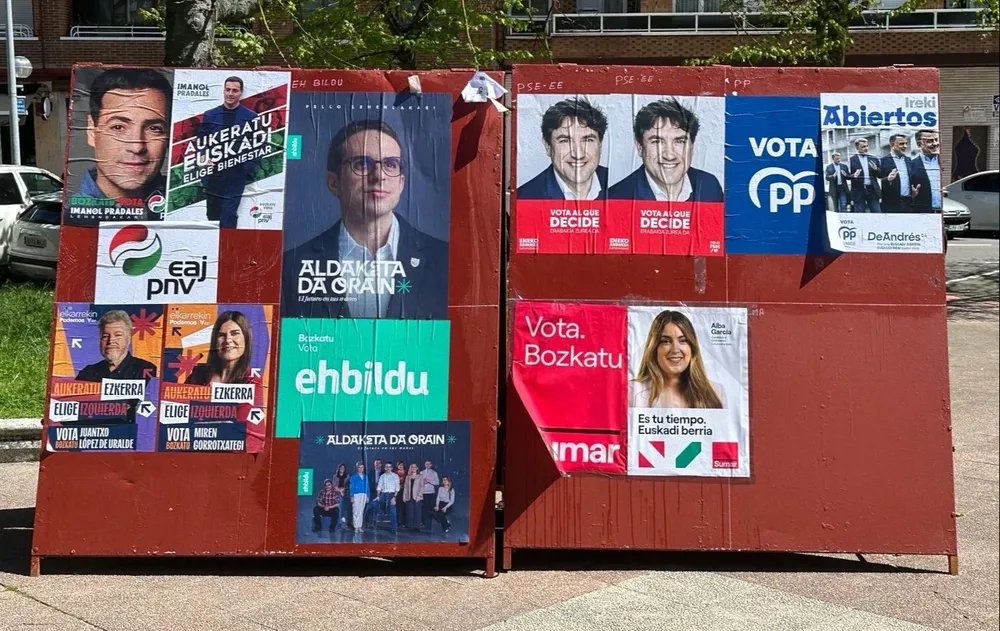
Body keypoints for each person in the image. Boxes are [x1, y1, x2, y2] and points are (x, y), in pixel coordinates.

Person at [285, 119, 449, 319]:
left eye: (390, 164)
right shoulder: (291, 267)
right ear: (333, 183)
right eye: (362, 163)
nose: (379, 176)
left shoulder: (443, 259)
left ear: (401, 183)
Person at [78, 69, 171, 211]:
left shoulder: (191, 211)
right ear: (92, 131)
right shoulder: (71, 219)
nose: (137, 147)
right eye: (118, 127)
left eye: (154, 128)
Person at [607, 98, 723, 202]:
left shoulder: (710, 186)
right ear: (639, 147)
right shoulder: (616, 198)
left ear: (691, 147)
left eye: (679, 141)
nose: (669, 155)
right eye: (657, 142)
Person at [516, 98, 610, 200]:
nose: (578, 154)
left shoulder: (622, 188)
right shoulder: (524, 198)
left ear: (600, 145)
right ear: (548, 146)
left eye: (587, 140)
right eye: (565, 141)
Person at [197, 76, 260, 227]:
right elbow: (200, 141)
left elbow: (258, 145)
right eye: (228, 90)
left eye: (235, 90)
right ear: (223, 91)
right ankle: (214, 248)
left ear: (241, 93)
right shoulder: (210, 115)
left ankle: (229, 249)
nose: (231, 93)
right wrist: (204, 158)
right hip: (213, 175)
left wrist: (246, 169)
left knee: (229, 214)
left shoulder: (250, 117)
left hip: (235, 176)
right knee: (212, 215)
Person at [630, 310, 726, 410]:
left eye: (683, 341)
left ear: (692, 348)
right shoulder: (632, 391)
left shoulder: (717, 392)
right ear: (654, 349)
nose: (675, 350)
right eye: (665, 341)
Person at [76, 310, 157, 382]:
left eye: (118, 335)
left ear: (128, 339)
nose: (111, 340)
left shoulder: (146, 369)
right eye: (105, 336)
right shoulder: (87, 373)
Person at [186, 311, 254, 385]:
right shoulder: (199, 373)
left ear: (246, 339)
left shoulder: (252, 379)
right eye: (221, 335)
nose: (228, 340)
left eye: (235, 334)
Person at [908, 129, 943, 214]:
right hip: (923, 213)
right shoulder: (910, 165)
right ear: (919, 144)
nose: (935, 144)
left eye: (936, 140)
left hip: (947, 212)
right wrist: (911, 194)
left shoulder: (946, 161)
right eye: (930, 141)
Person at [880, 133, 914, 213]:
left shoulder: (909, 160)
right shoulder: (882, 161)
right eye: (901, 144)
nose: (905, 146)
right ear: (892, 145)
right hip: (891, 204)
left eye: (906, 143)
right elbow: (877, 181)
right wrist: (888, 179)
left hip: (908, 202)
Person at [848, 138, 882, 213]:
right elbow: (846, 176)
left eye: (867, 146)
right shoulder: (851, 160)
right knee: (859, 215)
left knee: (877, 214)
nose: (866, 148)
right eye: (863, 147)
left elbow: (880, 175)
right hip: (858, 191)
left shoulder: (874, 159)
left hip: (872, 190)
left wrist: (876, 169)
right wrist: (853, 176)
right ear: (857, 148)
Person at [374, 462, 400, 535]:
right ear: (385, 468)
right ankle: (382, 514)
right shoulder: (382, 476)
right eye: (386, 467)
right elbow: (379, 487)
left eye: (389, 467)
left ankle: (394, 529)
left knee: (392, 511)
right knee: (374, 503)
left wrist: (394, 497)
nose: (388, 468)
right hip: (383, 494)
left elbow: (397, 488)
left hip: (392, 494)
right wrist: (378, 496)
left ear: (391, 468)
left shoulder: (395, 476)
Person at [420, 459, 440, 530]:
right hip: (423, 492)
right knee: (423, 508)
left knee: (430, 508)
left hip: (431, 493)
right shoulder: (421, 473)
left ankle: (433, 521)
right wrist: (423, 482)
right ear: (424, 465)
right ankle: (423, 522)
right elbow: (419, 483)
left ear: (431, 465)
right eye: (426, 464)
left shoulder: (434, 473)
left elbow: (437, 483)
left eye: (429, 464)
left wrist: (429, 481)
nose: (427, 465)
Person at [349, 462, 368, 532]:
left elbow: (367, 487)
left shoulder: (366, 477)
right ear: (357, 468)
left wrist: (368, 496)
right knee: (356, 511)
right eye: (359, 467)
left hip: (364, 495)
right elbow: (352, 487)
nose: (361, 469)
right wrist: (352, 496)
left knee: (361, 511)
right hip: (356, 495)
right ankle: (356, 526)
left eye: (362, 467)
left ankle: (360, 526)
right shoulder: (353, 477)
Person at [403, 464, 423, 531]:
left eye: (415, 467)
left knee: (417, 512)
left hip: (417, 497)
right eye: (412, 467)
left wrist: (419, 495)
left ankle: (417, 527)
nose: (413, 468)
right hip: (409, 496)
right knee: (410, 511)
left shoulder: (420, 476)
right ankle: (409, 526)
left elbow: (422, 486)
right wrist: (404, 497)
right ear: (410, 468)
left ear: (417, 468)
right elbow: (405, 487)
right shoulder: (408, 477)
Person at [334, 463, 351, 530]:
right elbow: (334, 486)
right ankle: (339, 524)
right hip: (337, 493)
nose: (342, 469)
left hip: (345, 493)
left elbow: (348, 485)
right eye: (341, 468)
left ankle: (345, 524)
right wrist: (340, 491)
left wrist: (343, 490)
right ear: (339, 468)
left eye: (343, 468)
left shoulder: (347, 476)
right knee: (339, 507)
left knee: (345, 508)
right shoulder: (335, 476)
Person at [395, 461, 407, 528]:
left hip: (405, 491)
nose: (400, 466)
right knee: (397, 507)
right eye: (399, 465)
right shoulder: (395, 473)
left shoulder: (407, 472)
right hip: (397, 491)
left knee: (404, 507)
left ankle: (404, 522)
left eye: (402, 465)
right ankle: (397, 522)